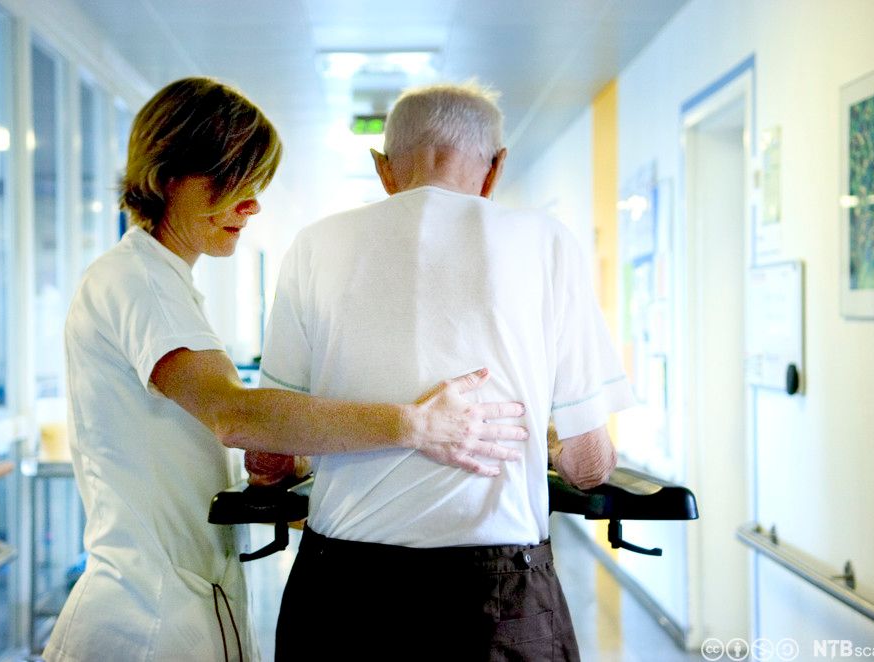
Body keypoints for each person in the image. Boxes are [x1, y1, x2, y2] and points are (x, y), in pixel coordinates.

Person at [43, 77, 529, 662]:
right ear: (167, 176)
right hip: (145, 619)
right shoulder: (137, 282)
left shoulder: (165, 282)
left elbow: (202, 437)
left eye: (256, 184)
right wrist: (418, 425)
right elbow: (233, 413)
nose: (251, 205)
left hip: (188, 594)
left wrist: (296, 462)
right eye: (231, 182)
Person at [256, 81, 637, 661]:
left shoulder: (314, 246)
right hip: (495, 596)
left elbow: (267, 454)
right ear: (496, 169)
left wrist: (325, 451)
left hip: (341, 595)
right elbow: (589, 465)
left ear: (383, 169)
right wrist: (547, 443)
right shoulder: (545, 243)